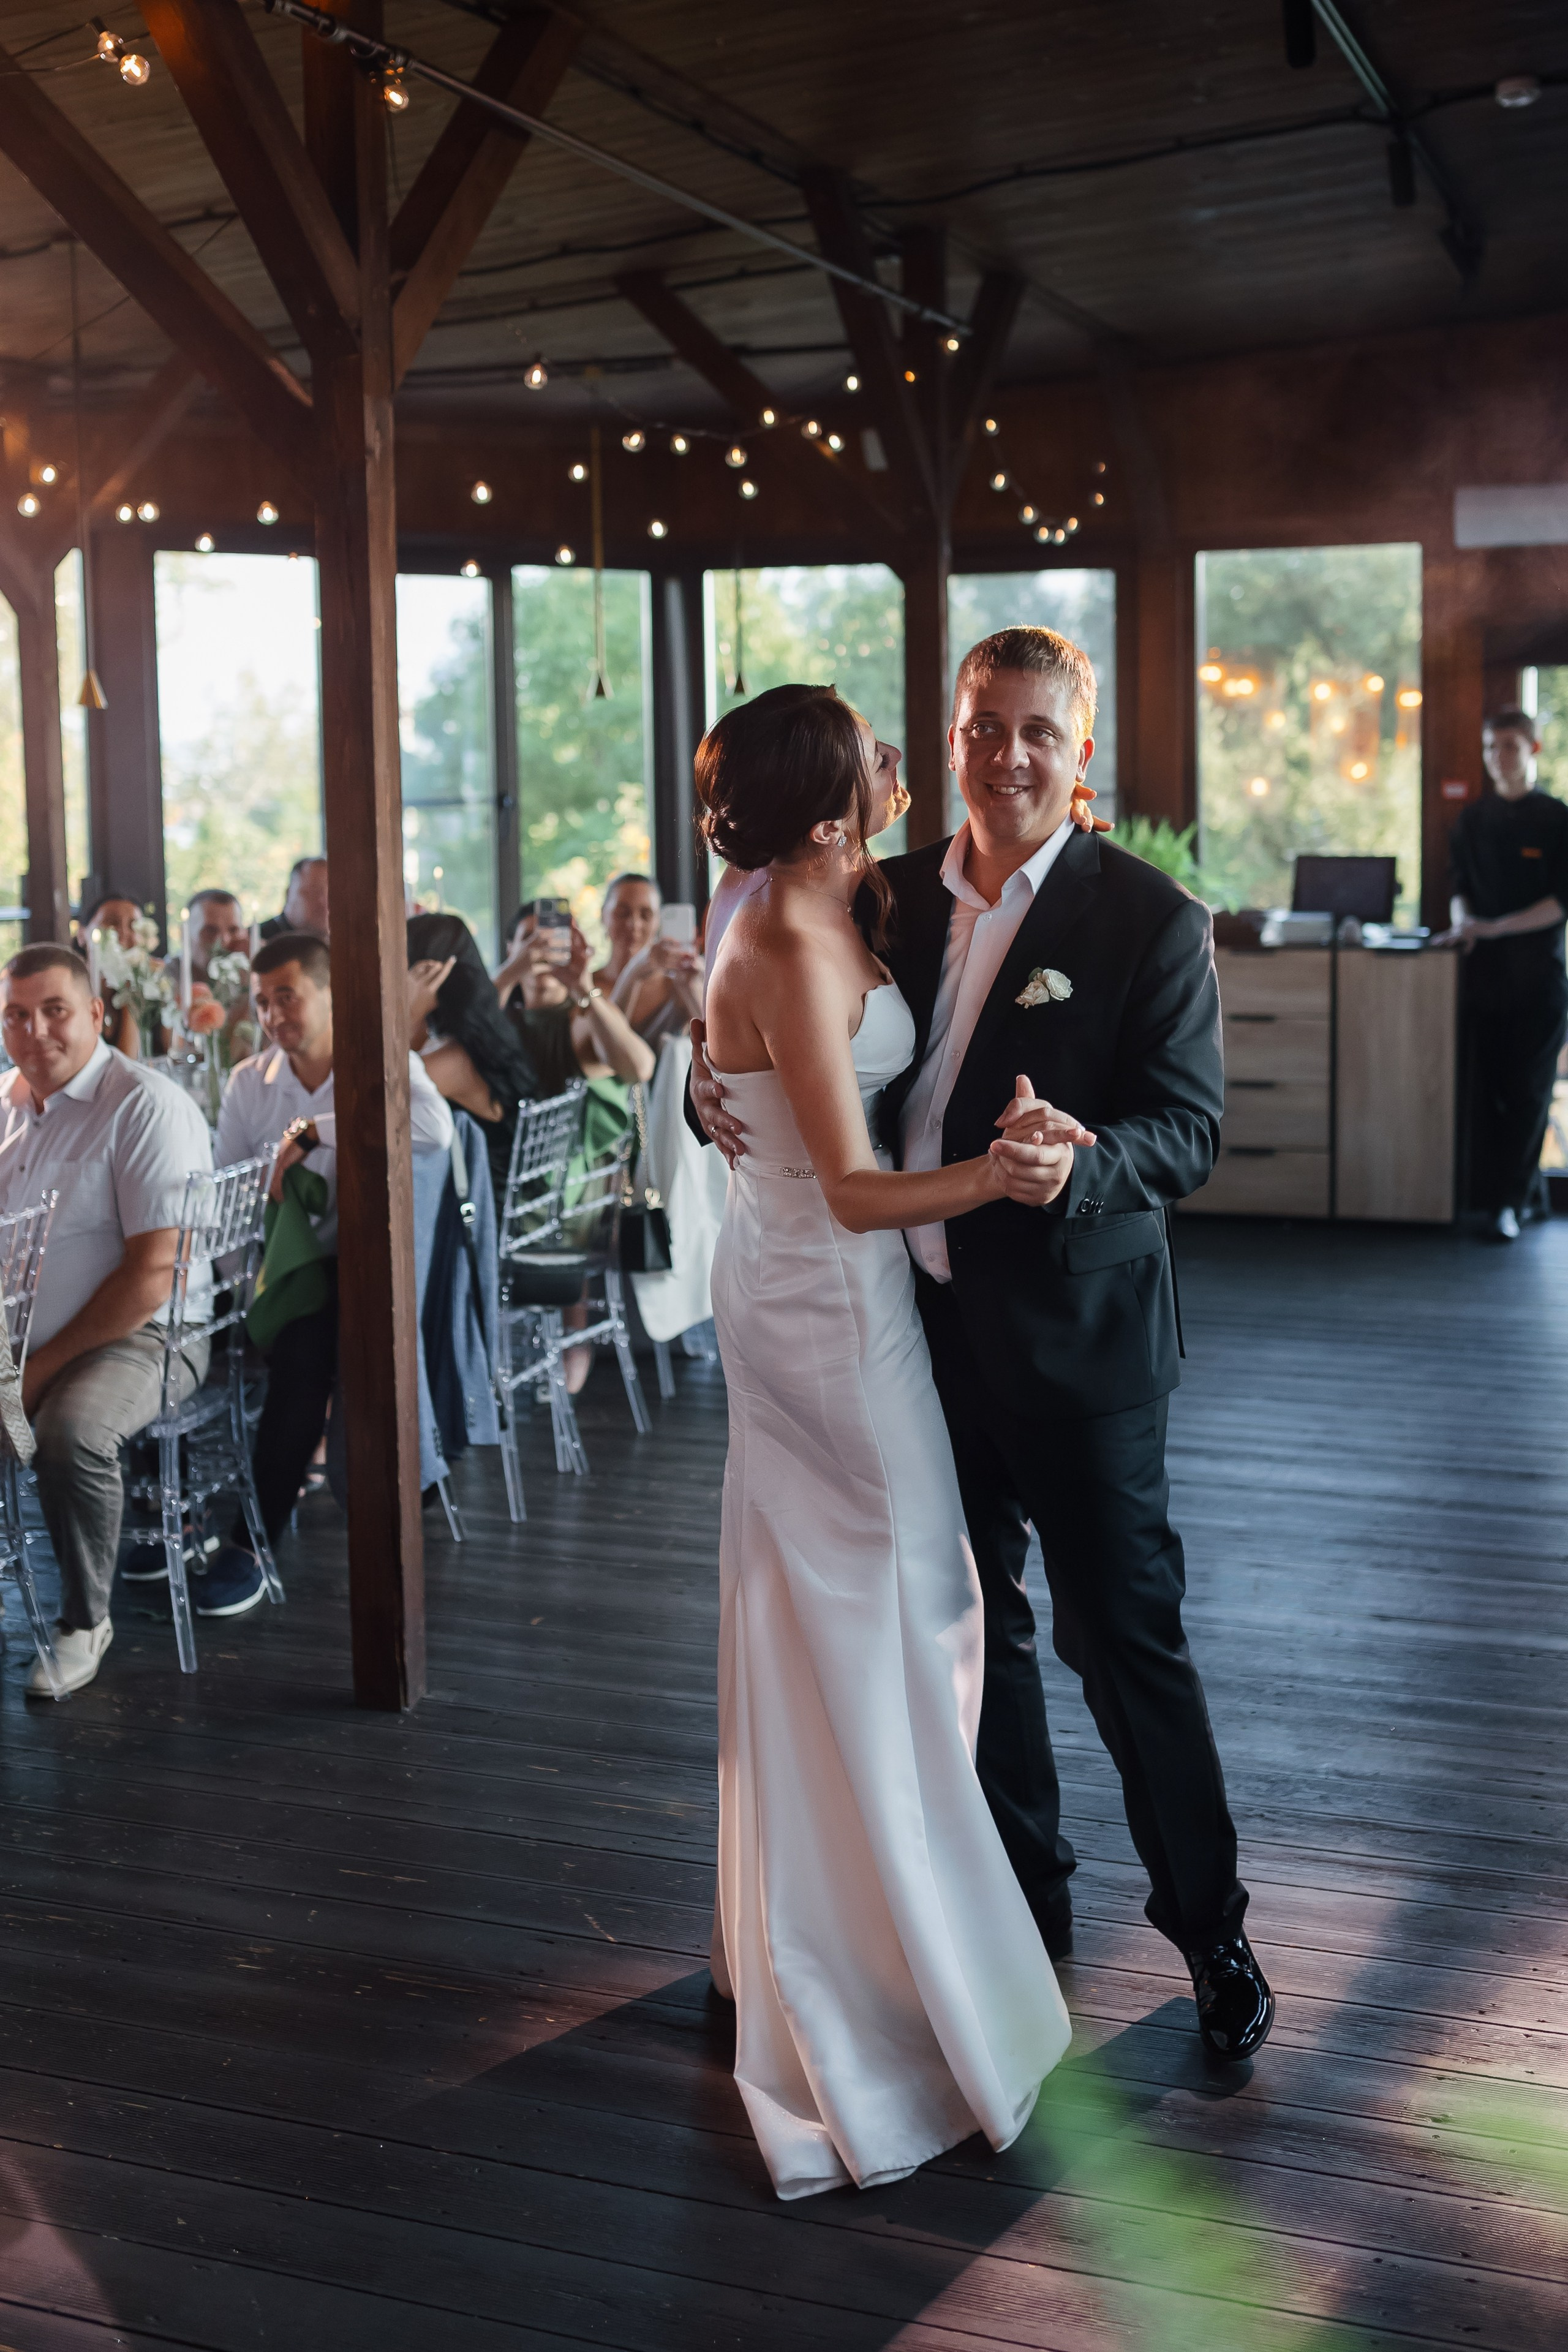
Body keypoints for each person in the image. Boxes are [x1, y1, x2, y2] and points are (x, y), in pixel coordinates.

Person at [693, 632, 1273, 2079]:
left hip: (1078, 1349)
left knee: (1121, 1640)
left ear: (1079, 755)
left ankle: (1211, 1934)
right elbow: (778, 996)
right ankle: (1022, 1907)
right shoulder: (879, 893)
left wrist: (1080, 1161)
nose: (1004, 754)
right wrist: (706, 1081)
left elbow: (1184, 1132)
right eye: (979, 727)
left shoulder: (1148, 916)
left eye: (1035, 732)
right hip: (912, 1330)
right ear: (948, 738)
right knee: (977, 1630)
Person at [692, 680, 1073, 2200]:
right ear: (830, 801)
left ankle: (867, 1927)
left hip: (821, 1290)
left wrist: (697, 1063)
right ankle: (887, 1983)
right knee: (908, 1604)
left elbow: (752, 1065)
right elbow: (846, 1186)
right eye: (878, 752)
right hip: (822, 1305)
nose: (908, 765)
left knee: (870, 1605)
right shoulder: (782, 928)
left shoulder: (828, 890)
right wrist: (994, 1176)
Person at [208, 931, 453, 1602]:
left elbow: (437, 1131)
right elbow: (227, 1200)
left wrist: (317, 1128)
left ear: (330, 994)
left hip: (372, 1273)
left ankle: (249, 1543)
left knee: (306, 1351)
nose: (272, 1016)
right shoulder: (248, 1082)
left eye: (286, 997)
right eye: (260, 1003)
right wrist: (251, 1285)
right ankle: (162, 1530)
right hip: (280, 1275)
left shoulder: (378, 1062)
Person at [0, 944, 214, 1697]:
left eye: (55, 1011)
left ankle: (84, 1622)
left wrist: (34, 1373)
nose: (36, 1032)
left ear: (95, 1013)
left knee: (69, 1430)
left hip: (147, 1334)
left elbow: (153, 1275)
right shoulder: (6, 1103)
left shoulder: (145, 1105)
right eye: (16, 1016)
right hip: (17, 1336)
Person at [1441, 706, 1568, 1241]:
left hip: (1538, 980)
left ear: (1533, 750)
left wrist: (1494, 929)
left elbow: (1560, 903)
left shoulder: (1558, 819)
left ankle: (1510, 1205)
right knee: (1484, 1092)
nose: (1499, 757)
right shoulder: (1472, 819)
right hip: (1482, 979)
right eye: (1491, 747)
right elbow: (1457, 887)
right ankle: (1505, 1198)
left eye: (1510, 746)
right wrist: (1464, 922)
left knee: (1528, 1092)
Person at [407, 911, 540, 1206]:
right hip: (493, 1202)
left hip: (480, 1215)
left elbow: (380, 1100)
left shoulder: (453, 1060)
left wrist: (406, 1013)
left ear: (427, 974)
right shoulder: (486, 1032)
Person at [594, 871, 705, 1048]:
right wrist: (634, 973)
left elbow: (720, 1049)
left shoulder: (676, 987)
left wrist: (693, 987)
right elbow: (603, 1050)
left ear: (658, 922)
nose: (634, 925)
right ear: (602, 916)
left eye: (646, 915)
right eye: (623, 913)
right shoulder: (588, 987)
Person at [75, 892, 149, 1057]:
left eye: (133, 925)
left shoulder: (153, 988)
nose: (122, 933)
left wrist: (131, 992)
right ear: (82, 934)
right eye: (111, 923)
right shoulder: (70, 991)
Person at [258, 856, 329, 943]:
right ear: (288, 894)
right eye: (313, 892)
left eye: (330, 894)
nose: (324, 902)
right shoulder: (256, 939)